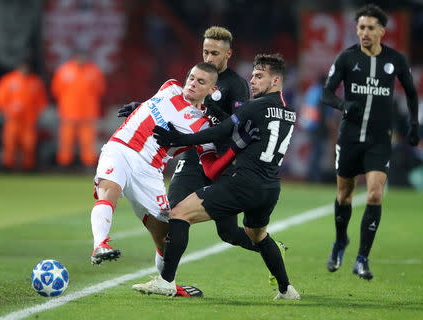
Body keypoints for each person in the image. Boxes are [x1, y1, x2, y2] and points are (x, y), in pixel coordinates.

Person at [118, 26, 286, 280]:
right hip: (193, 157)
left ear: (228, 53)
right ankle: (166, 280)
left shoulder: (237, 85)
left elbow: (237, 126)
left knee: (228, 233)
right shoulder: (199, 75)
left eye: (215, 53)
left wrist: (211, 113)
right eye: (206, 51)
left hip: (222, 163)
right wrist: (141, 106)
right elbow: (178, 104)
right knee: (172, 213)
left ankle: (271, 250)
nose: (208, 58)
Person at [90, 62, 259, 296]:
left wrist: (236, 150)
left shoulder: (203, 127)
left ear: (212, 91)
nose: (192, 83)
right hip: (121, 147)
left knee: (166, 237)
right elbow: (154, 108)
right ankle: (100, 245)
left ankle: (167, 284)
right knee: (109, 189)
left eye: (201, 82)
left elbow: (210, 169)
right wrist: (137, 107)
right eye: (191, 77)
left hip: (149, 171)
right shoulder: (170, 86)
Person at [321, 4, 420, 280]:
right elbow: (326, 94)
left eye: (370, 28)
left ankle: (362, 259)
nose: (364, 32)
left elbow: (411, 93)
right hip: (350, 137)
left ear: (382, 31)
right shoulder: (346, 58)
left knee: (375, 194)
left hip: (379, 140)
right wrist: (343, 105)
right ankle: (341, 241)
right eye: (361, 27)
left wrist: (413, 125)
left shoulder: (395, 60)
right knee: (345, 195)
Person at [51, 50, 105, 168]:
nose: (81, 59)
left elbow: (100, 89)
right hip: (69, 112)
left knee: (88, 141)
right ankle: (64, 164)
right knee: (66, 141)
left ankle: (88, 164)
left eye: (83, 56)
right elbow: (56, 90)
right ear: (74, 57)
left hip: (88, 113)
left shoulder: (93, 71)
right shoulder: (64, 70)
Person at [0, 57, 48, 170]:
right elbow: (0, 99)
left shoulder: (35, 81)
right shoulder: (8, 80)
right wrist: (8, 109)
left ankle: (28, 167)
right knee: (10, 143)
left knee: (29, 144)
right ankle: (8, 166)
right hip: (12, 119)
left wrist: (35, 113)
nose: (25, 69)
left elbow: (41, 101)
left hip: (29, 120)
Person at [299, 75, 335, 182]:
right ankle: (315, 177)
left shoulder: (312, 90)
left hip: (310, 125)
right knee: (317, 153)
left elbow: (306, 107)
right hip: (320, 127)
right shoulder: (324, 93)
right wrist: (330, 129)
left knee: (314, 152)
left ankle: (311, 175)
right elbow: (327, 114)